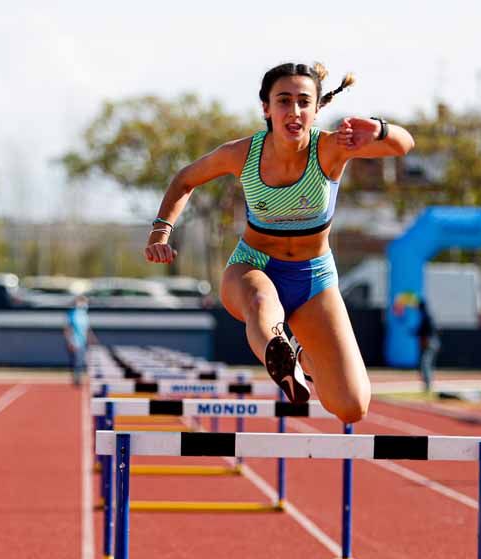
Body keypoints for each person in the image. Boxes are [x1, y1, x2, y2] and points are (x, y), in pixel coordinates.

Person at [144, 62, 414, 422]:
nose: (294, 111)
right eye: (283, 101)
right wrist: (161, 231)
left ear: (317, 109)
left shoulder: (332, 148)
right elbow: (185, 180)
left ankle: (300, 355)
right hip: (253, 267)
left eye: (304, 101)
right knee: (260, 299)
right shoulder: (241, 154)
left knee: (351, 406)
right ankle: (279, 352)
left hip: (314, 279)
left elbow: (403, 145)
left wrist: (379, 129)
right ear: (266, 108)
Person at [64, 294, 94, 387]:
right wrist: (70, 342)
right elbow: (68, 329)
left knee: (81, 362)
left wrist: (91, 338)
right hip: (75, 341)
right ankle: (76, 380)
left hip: (83, 341)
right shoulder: (72, 314)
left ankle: (78, 379)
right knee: (77, 362)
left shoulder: (85, 314)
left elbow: (87, 329)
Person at [416, 299, 439, 393]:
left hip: (429, 343)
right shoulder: (427, 316)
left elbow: (425, 331)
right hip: (432, 342)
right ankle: (427, 385)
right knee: (427, 364)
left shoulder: (425, 316)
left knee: (425, 364)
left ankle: (428, 386)